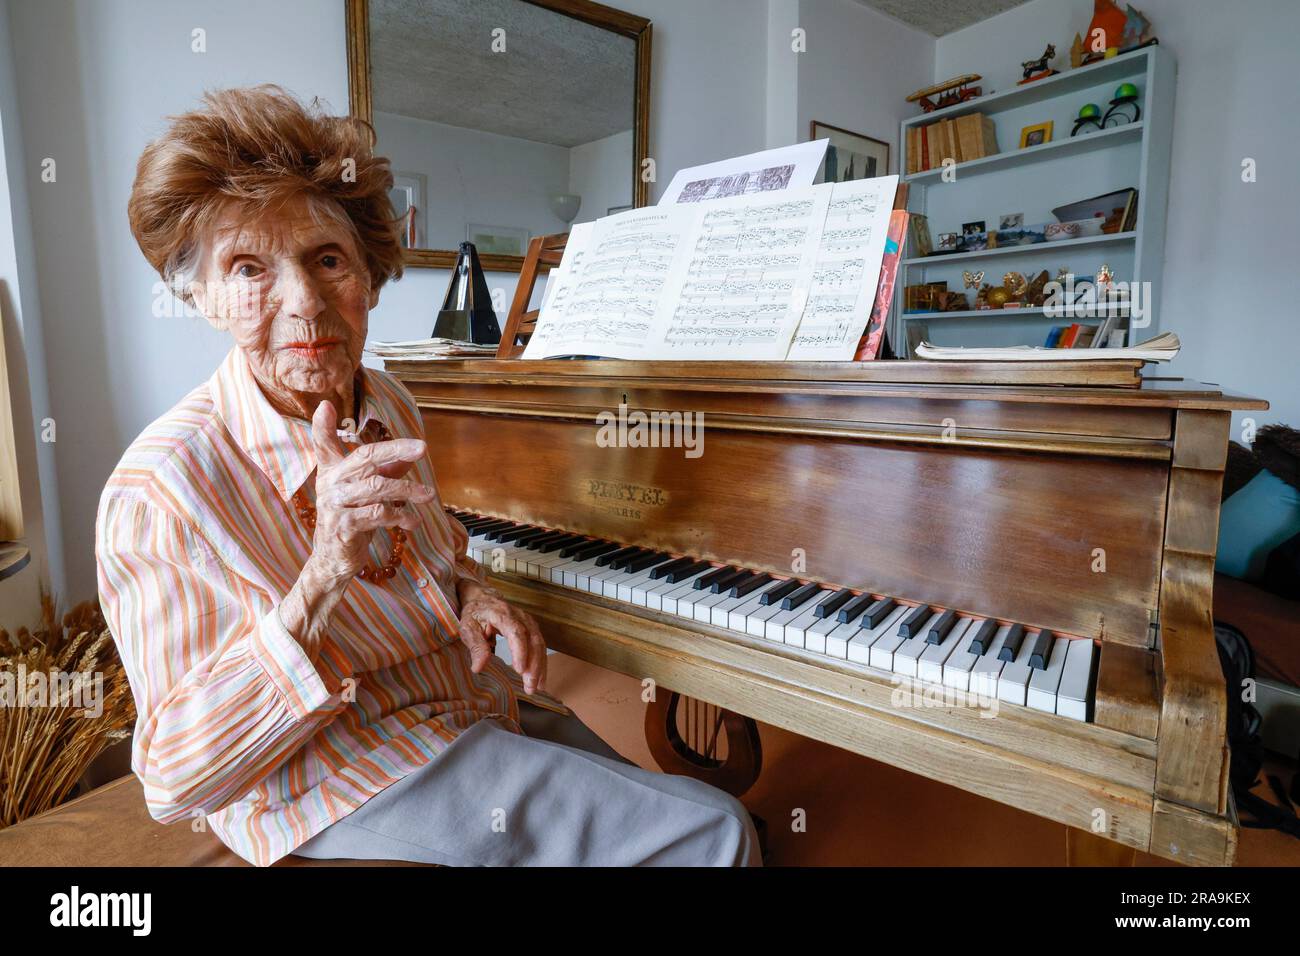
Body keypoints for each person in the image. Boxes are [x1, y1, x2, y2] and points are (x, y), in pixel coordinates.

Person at [97, 85, 760, 867]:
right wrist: (322, 573)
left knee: (674, 810)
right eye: (249, 268)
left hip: (463, 706)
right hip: (335, 770)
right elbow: (173, 779)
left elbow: (435, 554)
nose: (305, 302)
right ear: (201, 297)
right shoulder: (160, 489)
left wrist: (472, 594)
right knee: (719, 835)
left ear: (371, 278)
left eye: (327, 259)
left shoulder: (390, 400)